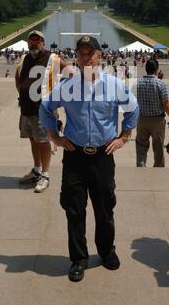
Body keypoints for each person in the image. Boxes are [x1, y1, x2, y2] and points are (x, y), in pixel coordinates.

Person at [40, 35, 139, 282]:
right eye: (81, 54)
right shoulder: (67, 86)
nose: (85, 58)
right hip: (75, 156)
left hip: (103, 156)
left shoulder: (114, 85)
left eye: (90, 53)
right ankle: (78, 258)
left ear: (99, 56)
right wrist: (55, 137)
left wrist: (124, 137)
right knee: (74, 210)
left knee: (105, 208)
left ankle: (106, 251)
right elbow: (45, 108)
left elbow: (133, 109)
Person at [15, 30, 69, 193]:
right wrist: (22, 93)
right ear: (28, 42)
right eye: (31, 41)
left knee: (44, 142)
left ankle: (45, 174)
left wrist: (60, 94)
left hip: (43, 109)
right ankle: (37, 169)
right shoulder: (24, 58)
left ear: (43, 42)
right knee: (33, 140)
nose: (34, 43)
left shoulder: (53, 58)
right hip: (26, 108)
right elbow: (19, 78)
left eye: (37, 41)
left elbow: (71, 73)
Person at [136, 59, 169, 167]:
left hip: (142, 119)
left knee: (141, 146)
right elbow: (166, 103)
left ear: (146, 69)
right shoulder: (161, 83)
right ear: (157, 70)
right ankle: (158, 168)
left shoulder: (138, 83)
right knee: (158, 147)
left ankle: (141, 165)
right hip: (157, 120)